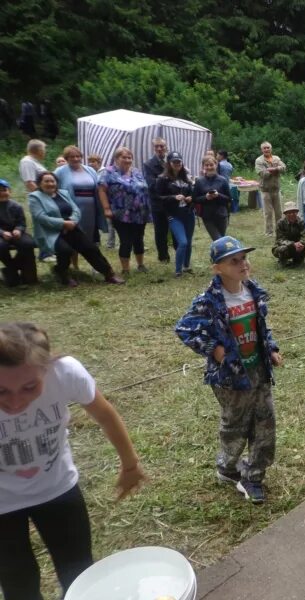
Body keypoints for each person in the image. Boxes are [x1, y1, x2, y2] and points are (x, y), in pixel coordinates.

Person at [0, 322, 145, 600]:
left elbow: (105, 415)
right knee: (17, 580)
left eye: (30, 387)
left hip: (57, 488)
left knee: (79, 573)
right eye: (1, 391)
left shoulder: (66, 373)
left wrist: (130, 465)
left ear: (47, 369)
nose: (16, 402)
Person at [175, 236, 283, 504]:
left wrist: (270, 347)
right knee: (235, 424)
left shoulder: (252, 291)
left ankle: (253, 476)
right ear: (217, 268)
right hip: (229, 376)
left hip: (258, 368)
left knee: (265, 421)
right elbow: (185, 328)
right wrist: (215, 349)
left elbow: (262, 327)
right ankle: (227, 467)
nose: (242, 264)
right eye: (233, 261)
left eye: (243, 258)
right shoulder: (209, 300)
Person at [29, 172, 125, 286]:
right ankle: (62, 274)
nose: (50, 184)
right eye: (46, 181)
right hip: (51, 232)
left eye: (52, 181)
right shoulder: (35, 197)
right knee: (65, 251)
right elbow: (41, 217)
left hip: (71, 227)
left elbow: (76, 210)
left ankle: (109, 274)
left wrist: (72, 221)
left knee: (90, 248)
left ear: (56, 183)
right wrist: (63, 224)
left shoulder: (63, 193)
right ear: (39, 184)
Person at [98, 147, 151, 277]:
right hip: (121, 213)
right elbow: (101, 190)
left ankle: (140, 265)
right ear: (116, 159)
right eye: (124, 157)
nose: (127, 160)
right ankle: (125, 269)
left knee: (139, 239)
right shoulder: (108, 172)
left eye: (129, 157)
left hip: (140, 212)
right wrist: (106, 208)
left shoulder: (137, 171)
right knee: (126, 240)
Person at [54, 146, 105, 253]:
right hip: (71, 209)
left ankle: (94, 264)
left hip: (90, 210)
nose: (76, 159)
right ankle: (75, 265)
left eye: (78, 156)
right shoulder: (59, 172)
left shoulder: (90, 170)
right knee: (73, 235)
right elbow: (54, 189)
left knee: (90, 236)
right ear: (67, 158)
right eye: (72, 157)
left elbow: (98, 188)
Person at [156, 152, 195, 277]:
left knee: (188, 241)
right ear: (169, 163)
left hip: (188, 213)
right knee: (182, 242)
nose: (177, 164)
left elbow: (193, 193)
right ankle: (178, 270)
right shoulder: (162, 179)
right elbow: (157, 197)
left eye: (179, 161)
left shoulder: (186, 177)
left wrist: (190, 198)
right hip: (174, 214)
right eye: (174, 162)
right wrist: (173, 197)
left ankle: (186, 266)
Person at [0, 179, 38, 286]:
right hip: (1, 234)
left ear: (10, 191)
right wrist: (3, 233)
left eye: (4, 190)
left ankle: (13, 271)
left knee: (28, 244)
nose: (2, 193)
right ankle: (12, 270)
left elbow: (22, 223)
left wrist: (18, 230)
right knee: (1, 246)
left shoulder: (16, 206)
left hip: (15, 232)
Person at [142, 137, 173, 263]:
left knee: (176, 229)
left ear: (166, 147)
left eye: (162, 146)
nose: (160, 149)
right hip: (158, 203)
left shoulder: (173, 160)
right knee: (161, 231)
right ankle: (163, 256)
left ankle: (179, 252)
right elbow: (151, 185)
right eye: (157, 146)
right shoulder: (148, 164)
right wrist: (167, 179)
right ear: (153, 148)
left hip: (173, 202)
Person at [193, 156, 232, 241]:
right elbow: (195, 199)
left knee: (221, 239)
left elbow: (229, 198)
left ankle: (218, 253)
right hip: (207, 216)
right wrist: (206, 197)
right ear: (203, 166)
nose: (209, 167)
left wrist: (218, 195)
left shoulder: (223, 180)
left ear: (216, 165)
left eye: (211, 165)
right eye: (206, 165)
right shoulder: (199, 181)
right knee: (218, 239)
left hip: (221, 215)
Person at [255, 141, 286, 236]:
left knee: (279, 212)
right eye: (264, 148)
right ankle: (269, 232)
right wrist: (275, 169)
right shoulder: (259, 160)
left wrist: (275, 169)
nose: (266, 149)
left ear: (271, 149)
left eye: (268, 147)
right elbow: (262, 174)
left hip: (276, 189)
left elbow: (284, 167)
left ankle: (280, 231)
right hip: (265, 190)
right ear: (262, 150)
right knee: (268, 213)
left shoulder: (276, 158)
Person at [272, 202, 305, 266]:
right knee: (282, 248)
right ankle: (282, 259)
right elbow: (280, 239)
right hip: (285, 246)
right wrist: (293, 244)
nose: (292, 214)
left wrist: (301, 243)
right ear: (285, 214)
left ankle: (298, 259)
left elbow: (304, 236)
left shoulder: (301, 222)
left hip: (298, 246)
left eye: (294, 212)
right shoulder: (280, 223)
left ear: (297, 213)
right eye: (289, 213)